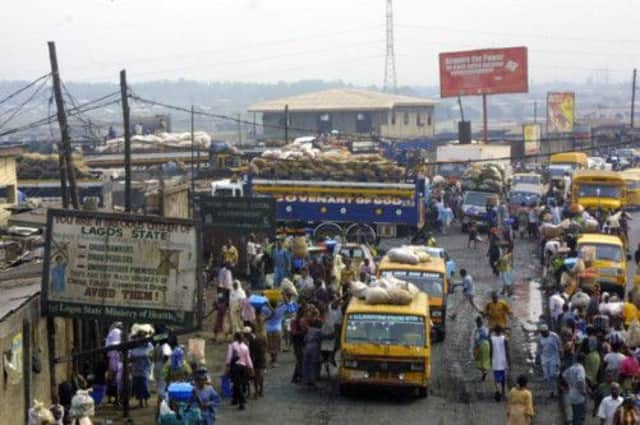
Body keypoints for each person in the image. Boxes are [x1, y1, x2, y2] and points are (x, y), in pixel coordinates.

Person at [264, 297, 297, 367]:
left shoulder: (266, 309)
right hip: (277, 329)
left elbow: (261, 306)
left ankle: (272, 359)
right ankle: (274, 361)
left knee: (270, 345)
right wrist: (283, 297)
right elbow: (287, 304)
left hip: (268, 329)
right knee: (276, 346)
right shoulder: (280, 310)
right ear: (277, 304)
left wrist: (266, 301)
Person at [226, 332, 254, 411]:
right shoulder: (245, 346)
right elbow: (248, 358)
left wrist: (227, 366)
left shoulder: (232, 345)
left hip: (235, 367)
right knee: (238, 384)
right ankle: (235, 400)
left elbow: (229, 357)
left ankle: (242, 402)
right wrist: (251, 368)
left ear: (235, 337)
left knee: (236, 384)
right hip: (243, 367)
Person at [536, 323, 561, 398]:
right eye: (542, 333)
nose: (544, 334)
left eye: (545, 332)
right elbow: (539, 348)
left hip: (554, 356)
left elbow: (559, 345)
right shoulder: (539, 338)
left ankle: (555, 390)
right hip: (544, 357)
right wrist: (537, 358)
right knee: (547, 376)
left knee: (553, 375)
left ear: (548, 331)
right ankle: (551, 391)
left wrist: (560, 356)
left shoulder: (554, 336)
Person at [562, 352, 587, 425]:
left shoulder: (572, 367)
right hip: (578, 396)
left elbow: (564, 375)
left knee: (575, 415)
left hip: (571, 393)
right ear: (583, 360)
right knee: (578, 416)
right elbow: (580, 381)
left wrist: (569, 383)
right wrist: (582, 391)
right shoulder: (581, 369)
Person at [129, 333, 153, 408]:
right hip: (136, 368)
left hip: (145, 367)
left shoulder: (149, 345)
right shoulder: (133, 346)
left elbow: (151, 355)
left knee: (144, 384)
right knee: (137, 385)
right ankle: (140, 402)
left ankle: (146, 401)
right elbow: (130, 356)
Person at [244, 324, 266, 398]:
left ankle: (257, 392)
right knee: (260, 375)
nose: (245, 337)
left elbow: (253, 353)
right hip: (261, 359)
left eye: (245, 335)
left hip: (257, 360)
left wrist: (250, 364)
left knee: (256, 377)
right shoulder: (259, 337)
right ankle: (261, 391)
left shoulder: (253, 340)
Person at [490, 326, 510, 402]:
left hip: (495, 360)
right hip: (503, 360)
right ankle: (503, 391)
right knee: (503, 378)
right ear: (501, 331)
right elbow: (507, 350)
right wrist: (509, 361)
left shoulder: (492, 339)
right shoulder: (504, 339)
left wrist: (490, 359)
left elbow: (491, 350)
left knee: (496, 377)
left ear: (494, 331)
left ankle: (498, 391)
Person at [303, 319, 323, 389]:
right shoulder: (319, 331)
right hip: (314, 347)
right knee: (313, 365)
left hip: (307, 347)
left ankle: (306, 381)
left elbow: (305, 339)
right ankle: (313, 381)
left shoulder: (309, 329)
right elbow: (325, 337)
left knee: (306, 364)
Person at [473, 316, 491, 381]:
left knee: (478, 361)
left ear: (477, 323)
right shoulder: (486, 328)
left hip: (481, 345)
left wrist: (475, 347)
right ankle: (485, 371)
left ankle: (484, 372)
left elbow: (477, 339)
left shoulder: (478, 330)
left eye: (476, 322)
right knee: (485, 360)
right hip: (487, 345)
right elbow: (488, 336)